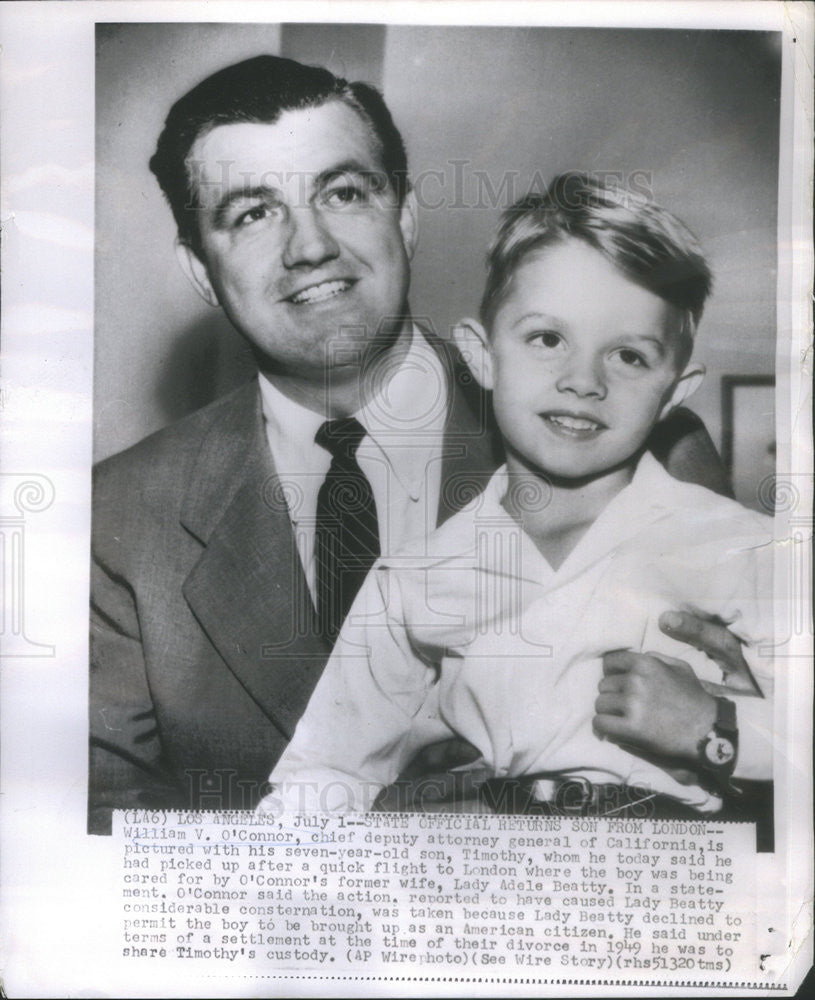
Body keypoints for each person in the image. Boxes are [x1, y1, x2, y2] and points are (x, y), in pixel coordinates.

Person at [90, 55, 736, 834]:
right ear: (201, 267)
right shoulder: (119, 517)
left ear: (404, 216)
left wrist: (724, 730)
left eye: (343, 192)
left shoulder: (642, 446)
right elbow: (103, 839)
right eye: (252, 213)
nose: (310, 246)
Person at [262, 174, 774, 823]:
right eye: (547, 339)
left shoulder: (739, 545)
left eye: (628, 356)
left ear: (674, 393)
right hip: (491, 868)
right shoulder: (414, 577)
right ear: (480, 356)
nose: (582, 380)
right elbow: (326, 770)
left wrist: (713, 727)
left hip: (681, 872)